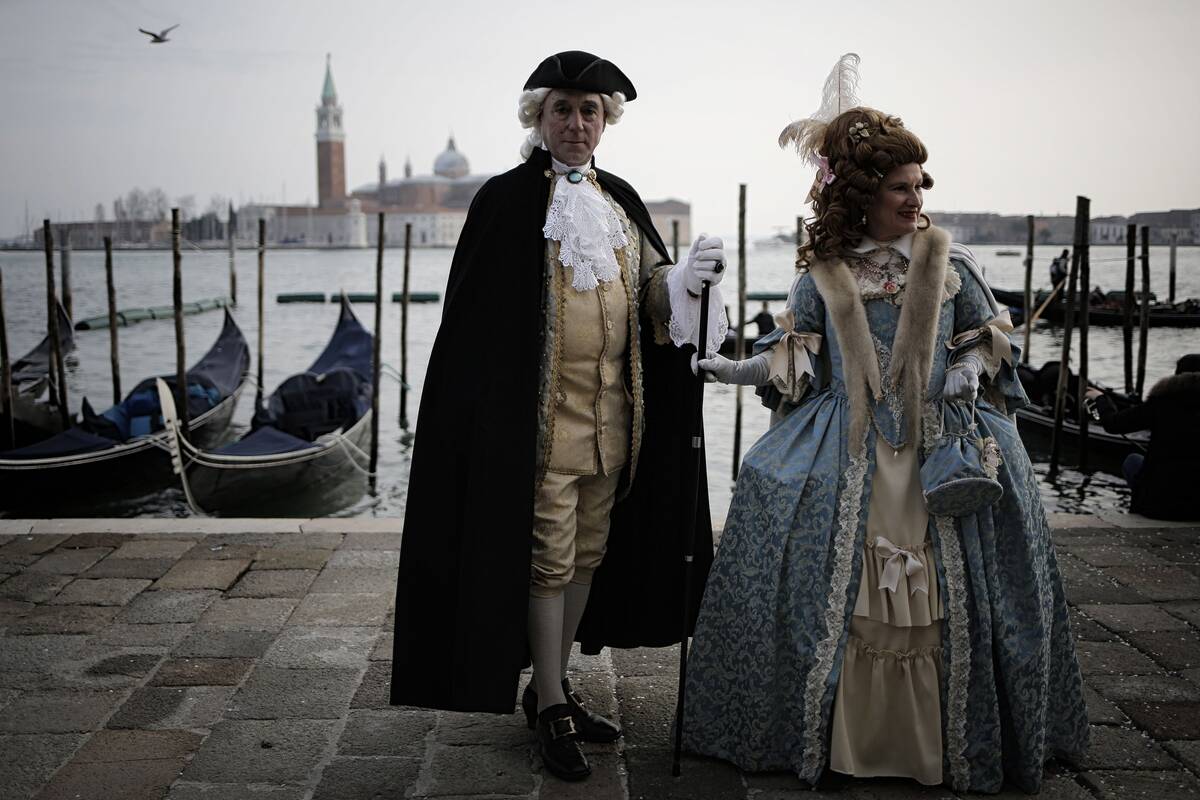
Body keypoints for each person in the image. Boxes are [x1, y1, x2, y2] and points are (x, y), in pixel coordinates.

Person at [680, 61, 1088, 794]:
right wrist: (729, 368)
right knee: (805, 542)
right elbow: (797, 359)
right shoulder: (822, 274)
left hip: (944, 448)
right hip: (850, 449)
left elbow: (990, 337)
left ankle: (942, 743)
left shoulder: (952, 262)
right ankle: (848, 740)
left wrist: (970, 367)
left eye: (920, 183)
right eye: (902, 186)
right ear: (863, 194)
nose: (917, 197)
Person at [390, 50, 726, 783]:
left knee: (588, 555)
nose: (577, 123)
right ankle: (549, 705)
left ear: (606, 123)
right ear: (538, 118)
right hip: (540, 422)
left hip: (614, 421)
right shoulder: (505, 201)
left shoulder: (621, 201)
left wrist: (683, 282)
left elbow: (650, 295)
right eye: (563, 110)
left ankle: (554, 684)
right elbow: (476, 322)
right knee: (547, 557)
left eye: (589, 112)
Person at [1086, 354, 1200, 520]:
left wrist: (1100, 399)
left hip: (1157, 506)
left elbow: (1113, 424)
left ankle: (1141, 508)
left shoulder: (1161, 402)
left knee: (1133, 460)